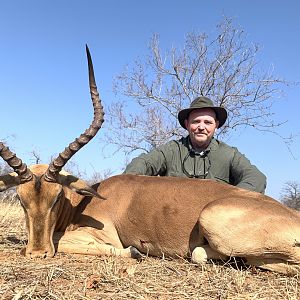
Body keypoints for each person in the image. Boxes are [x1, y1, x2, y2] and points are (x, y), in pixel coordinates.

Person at [124, 96, 266, 193]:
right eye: (196, 122)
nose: (201, 127)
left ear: (216, 126)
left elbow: (256, 178)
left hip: (216, 219)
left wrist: (229, 200)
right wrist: (126, 183)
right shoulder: (171, 150)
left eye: (208, 122)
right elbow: (144, 163)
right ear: (187, 124)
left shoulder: (229, 154)